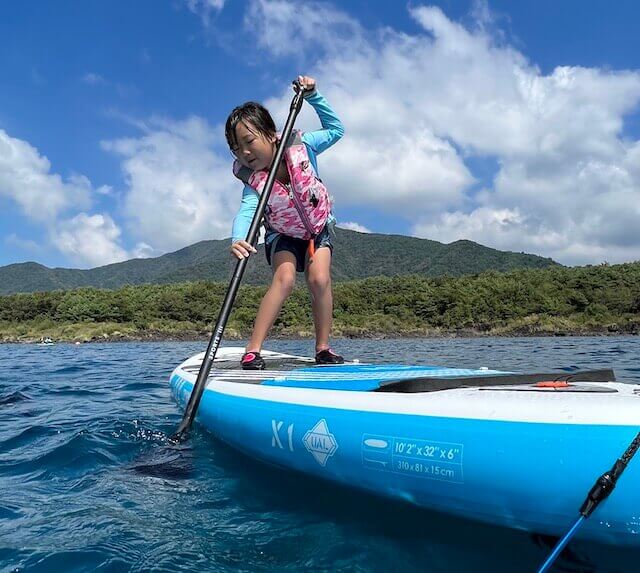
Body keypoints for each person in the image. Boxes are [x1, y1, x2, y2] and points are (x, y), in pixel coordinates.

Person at [226, 75, 345, 370]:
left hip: (317, 229)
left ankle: (323, 348)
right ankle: (253, 350)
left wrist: (315, 96)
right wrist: (238, 238)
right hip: (282, 233)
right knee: (285, 279)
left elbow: (336, 129)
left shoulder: (302, 145)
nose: (245, 153)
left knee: (319, 279)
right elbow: (246, 211)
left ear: (270, 133)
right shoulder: (254, 182)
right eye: (236, 148)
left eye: (249, 142)